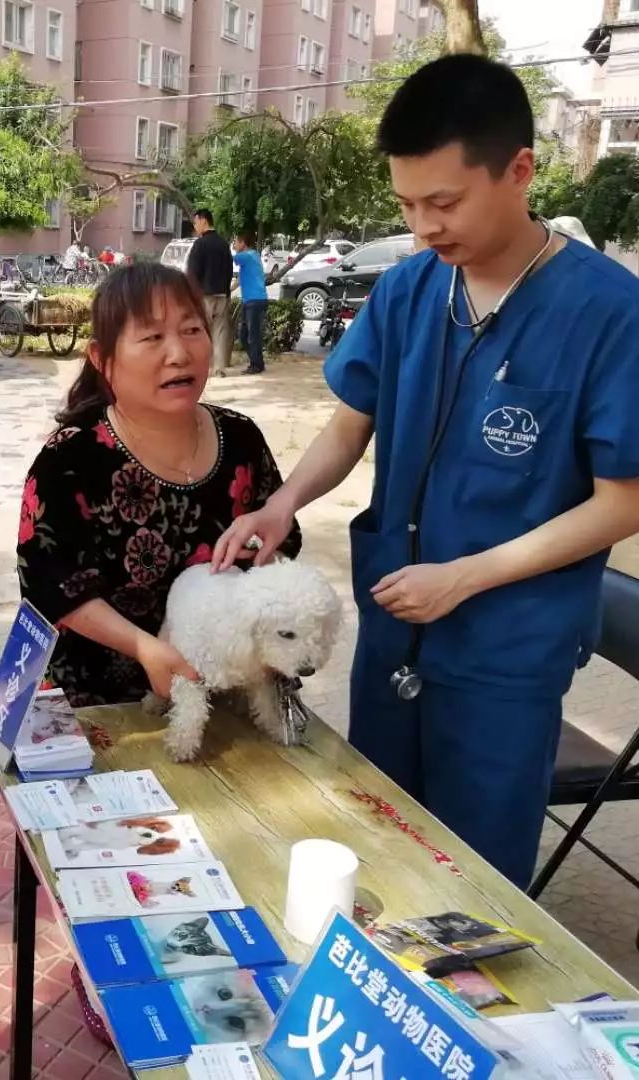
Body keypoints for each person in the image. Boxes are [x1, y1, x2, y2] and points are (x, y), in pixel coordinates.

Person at [214, 54, 639, 889]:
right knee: (381, 837)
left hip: (505, 646)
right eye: (408, 204)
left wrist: (467, 578)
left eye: (443, 203)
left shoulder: (607, 313)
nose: (423, 228)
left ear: (519, 170)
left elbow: (622, 503)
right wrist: (282, 503)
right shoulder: (410, 290)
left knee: (475, 877)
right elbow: (348, 424)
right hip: (398, 621)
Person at [18, 262, 301, 1039]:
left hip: (224, 678)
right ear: (104, 361)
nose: (180, 353)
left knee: (242, 836)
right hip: (105, 687)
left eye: (191, 331)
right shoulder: (72, 455)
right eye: (151, 338)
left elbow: (284, 540)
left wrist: (257, 563)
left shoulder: (240, 437)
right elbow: (49, 580)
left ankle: (228, 972)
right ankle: (118, 975)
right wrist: (145, 646)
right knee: (131, 862)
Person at [186, 209, 235, 378]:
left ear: (203, 221)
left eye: (196, 222)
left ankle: (202, 366)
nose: (195, 226)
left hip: (204, 295)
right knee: (220, 331)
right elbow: (229, 269)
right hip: (222, 294)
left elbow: (192, 272)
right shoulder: (223, 243)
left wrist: (190, 293)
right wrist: (227, 291)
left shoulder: (200, 244)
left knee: (202, 331)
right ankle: (219, 368)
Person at [233, 233, 268, 376]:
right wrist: (227, 291)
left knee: (252, 335)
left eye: (235, 242)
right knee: (244, 335)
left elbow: (226, 258)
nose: (234, 245)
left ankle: (257, 365)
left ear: (243, 243)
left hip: (255, 301)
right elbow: (239, 281)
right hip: (251, 301)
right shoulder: (251, 259)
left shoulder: (247, 256)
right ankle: (256, 362)